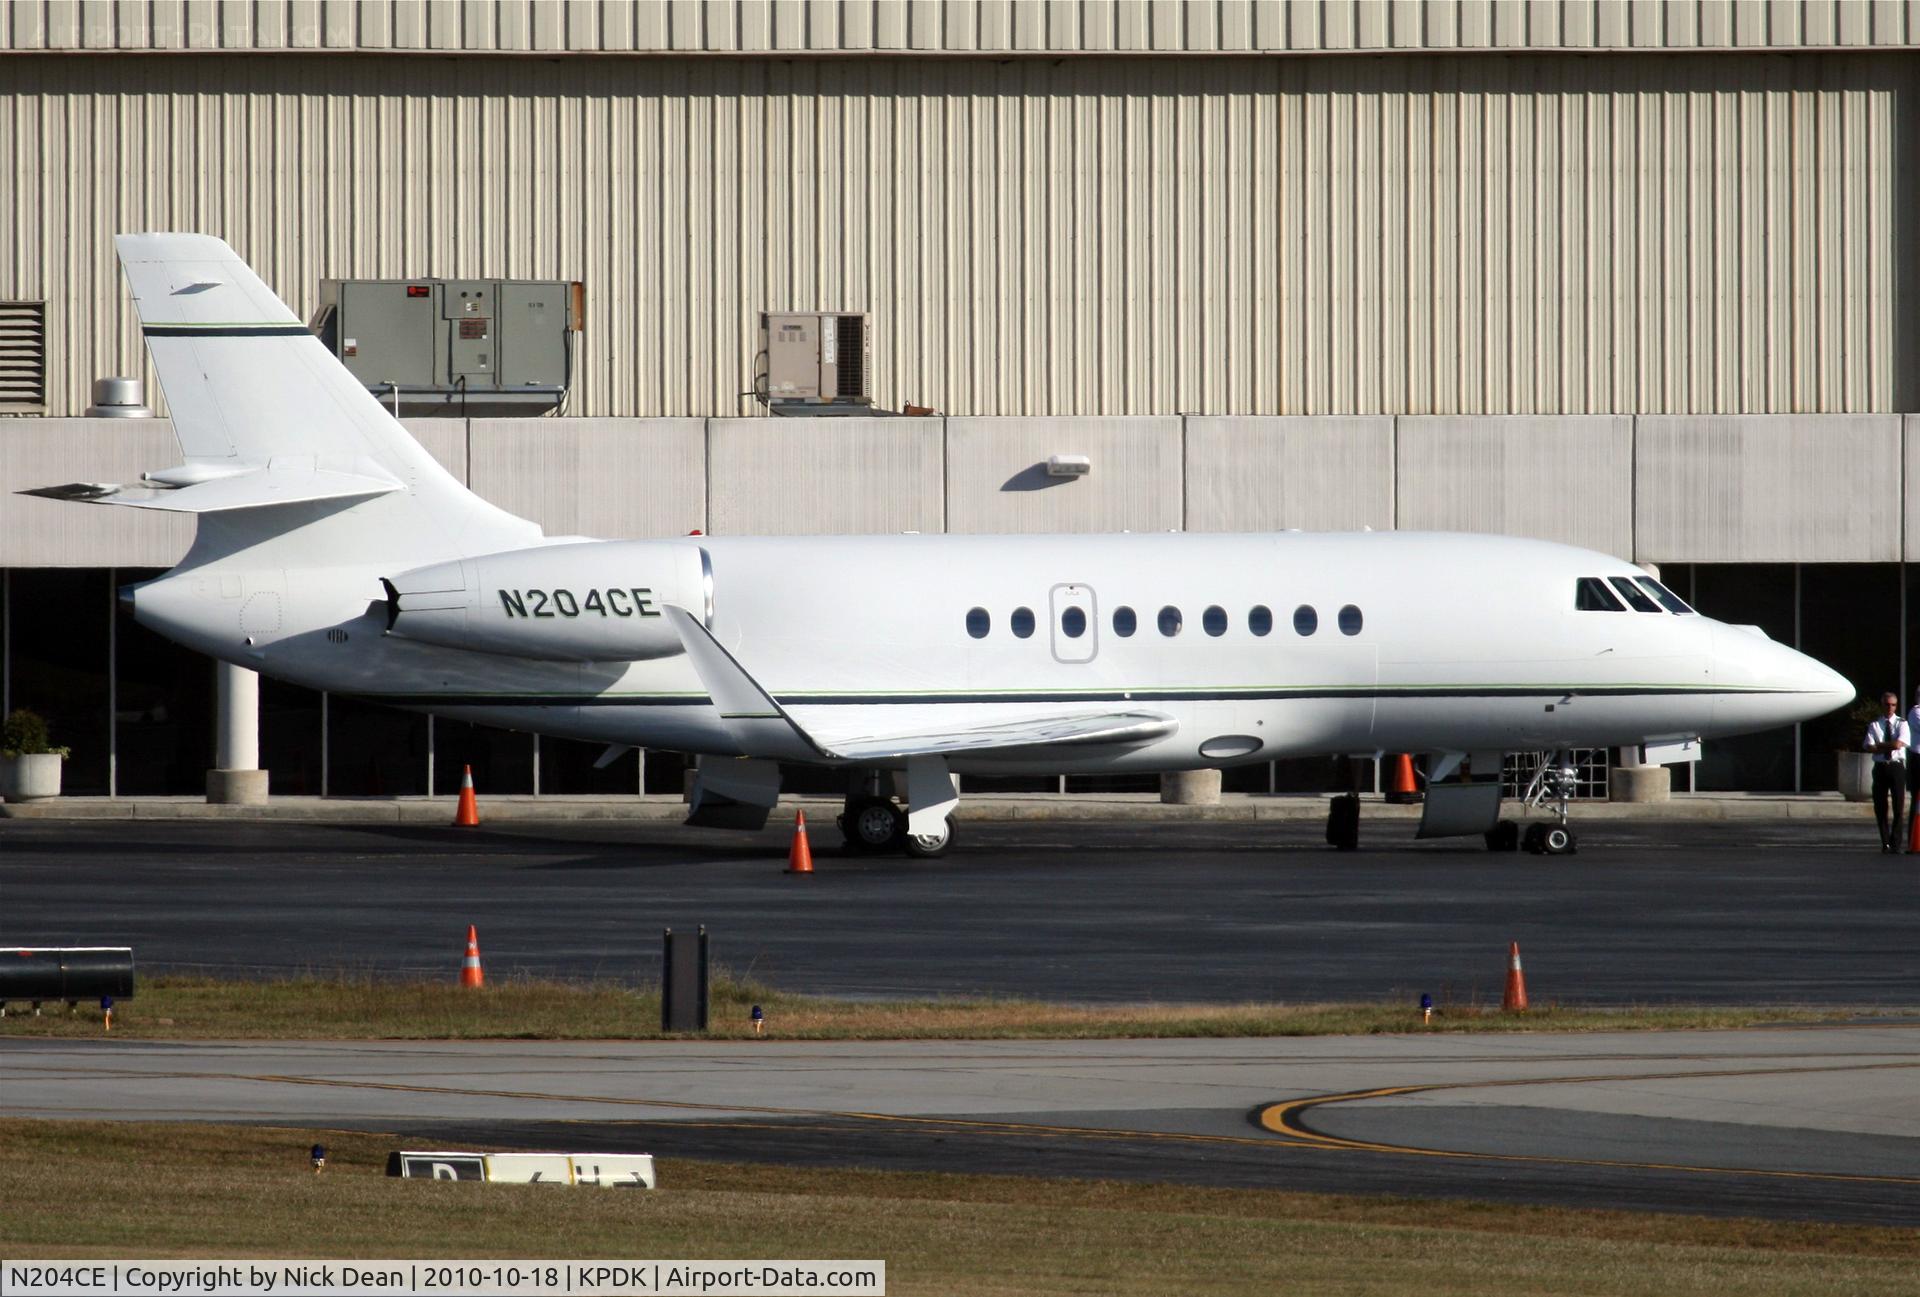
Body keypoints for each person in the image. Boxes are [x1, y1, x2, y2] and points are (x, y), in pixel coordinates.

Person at [1863, 691, 1910, 853]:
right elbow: (1869, 747)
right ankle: (1885, 841)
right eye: (1887, 704)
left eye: (1893, 705)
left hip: (1896, 766)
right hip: (1881, 767)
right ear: (1882, 705)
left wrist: (1880, 746)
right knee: (1880, 805)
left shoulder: (1901, 723)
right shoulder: (1874, 725)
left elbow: (1899, 744)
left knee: (1898, 806)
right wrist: (1887, 745)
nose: (1890, 707)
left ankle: (1895, 843)